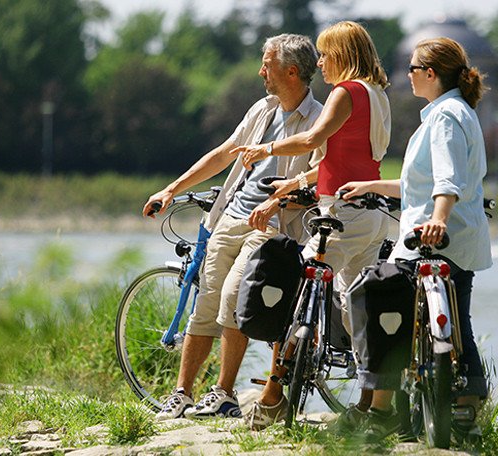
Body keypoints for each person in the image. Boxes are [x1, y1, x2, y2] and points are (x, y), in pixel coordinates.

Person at [142, 33, 323, 420]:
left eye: (267, 65)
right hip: (230, 216)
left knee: (232, 299)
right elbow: (224, 154)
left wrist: (280, 201)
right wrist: (172, 189)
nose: (261, 72)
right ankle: (182, 394)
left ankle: (223, 393)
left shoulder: (319, 121)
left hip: (272, 226)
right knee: (204, 306)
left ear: (291, 71)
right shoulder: (262, 109)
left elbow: (319, 176)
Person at [231, 21, 391, 430]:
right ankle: (372, 406)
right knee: (359, 309)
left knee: (293, 291)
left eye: (325, 53)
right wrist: (296, 182)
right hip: (371, 215)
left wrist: (264, 148)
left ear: (342, 54)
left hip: (339, 216)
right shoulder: (378, 95)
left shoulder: (346, 91)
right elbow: (342, 160)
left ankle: (271, 398)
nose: (319, 62)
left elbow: (311, 139)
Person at [339, 37, 492, 442]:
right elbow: (419, 183)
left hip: (432, 236)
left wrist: (438, 219)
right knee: (460, 324)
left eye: (411, 69)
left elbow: (446, 181)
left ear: (430, 74)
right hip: (461, 240)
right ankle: (467, 412)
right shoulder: (458, 112)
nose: (405, 76)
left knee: (387, 307)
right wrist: (370, 184)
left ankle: (382, 411)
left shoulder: (444, 118)